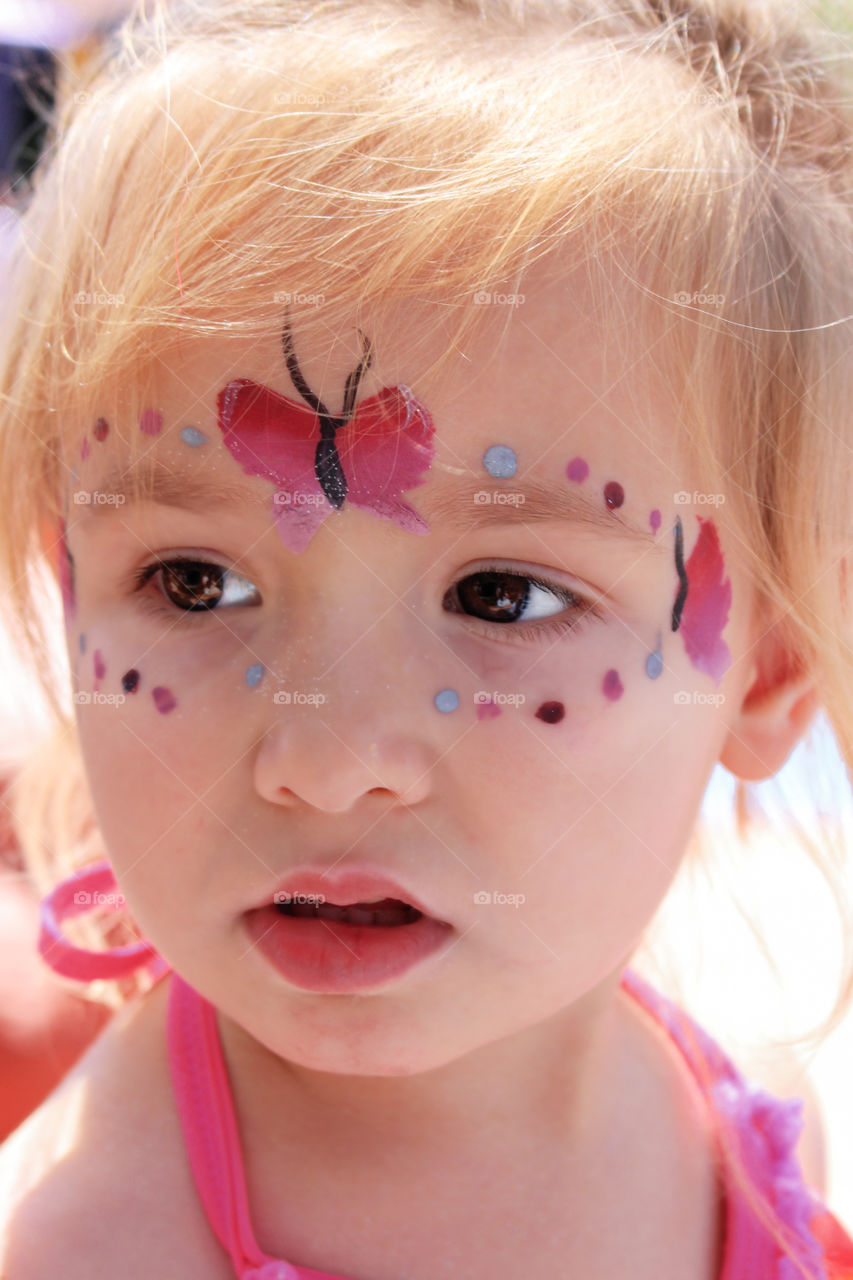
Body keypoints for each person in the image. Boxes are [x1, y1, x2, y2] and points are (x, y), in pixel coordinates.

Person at [0, 0, 852, 1275]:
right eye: (190, 580)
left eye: (502, 597)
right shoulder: (101, 1242)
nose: (328, 759)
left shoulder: (739, 1078)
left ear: (766, 667)